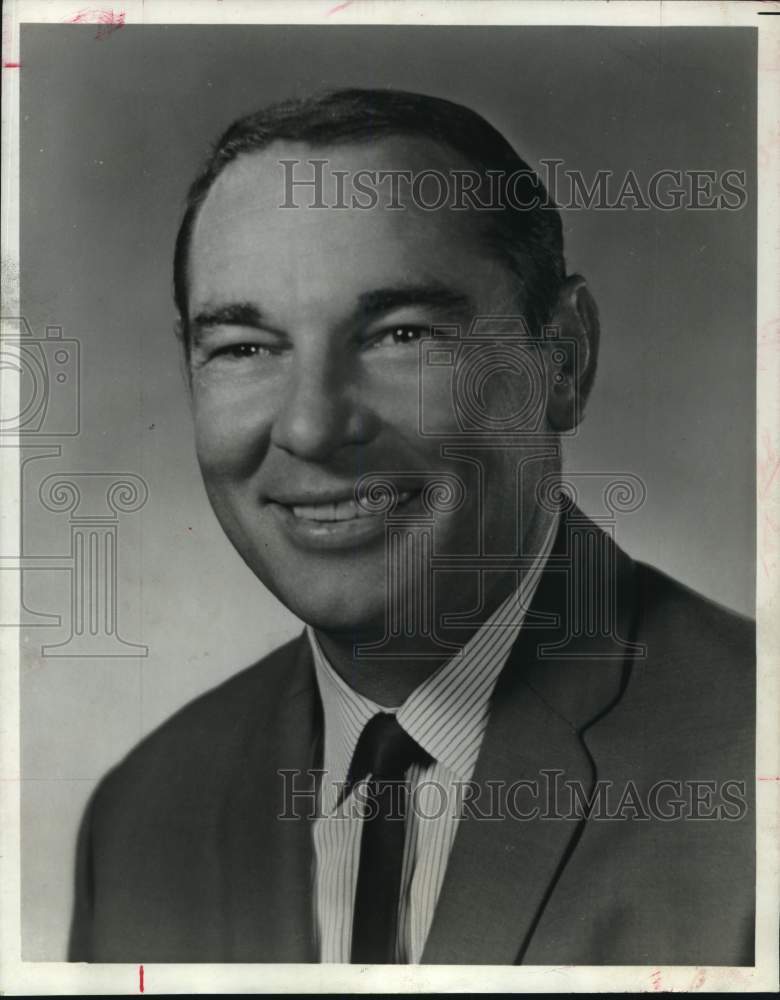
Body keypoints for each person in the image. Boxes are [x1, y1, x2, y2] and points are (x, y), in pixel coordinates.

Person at [68, 88, 754, 965]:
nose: (312, 428)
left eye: (400, 335)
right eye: (244, 347)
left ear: (565, 360)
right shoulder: (140, 818)